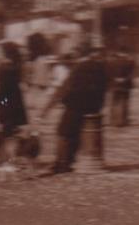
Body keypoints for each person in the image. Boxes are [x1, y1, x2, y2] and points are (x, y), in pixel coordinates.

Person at [42, 44, 107, 174]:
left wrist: (47, 109)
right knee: (77, 133)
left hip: (75, 106)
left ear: (80, 54)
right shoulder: (100, 67)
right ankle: (70, 161)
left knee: (63, 132)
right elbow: (105, 87)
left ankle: (62, 163)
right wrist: (99, 105)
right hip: (93, 107)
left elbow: (64, 89)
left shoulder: (78, 68)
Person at [0, 42, 29, 168]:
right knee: (12, 132)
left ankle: (4, 160)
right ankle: (11, 158)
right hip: (16, 103)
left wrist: (1, 106)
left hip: (7, 103)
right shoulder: (17, 66)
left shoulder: (4, 68)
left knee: (5, 133)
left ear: (5, 53)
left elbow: (2, 92)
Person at [107, 48, 135, 128]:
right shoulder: (129, 62)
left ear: (118, 53)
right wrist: (124, 79)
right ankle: (123, 120)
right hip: (125, 85)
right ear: (125, 53)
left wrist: (115, 79)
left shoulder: (111, 62)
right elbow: (132, 73)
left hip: (114, 84)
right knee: (125, 102)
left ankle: (113, 120)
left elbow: (108, 73)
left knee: (114, 102)